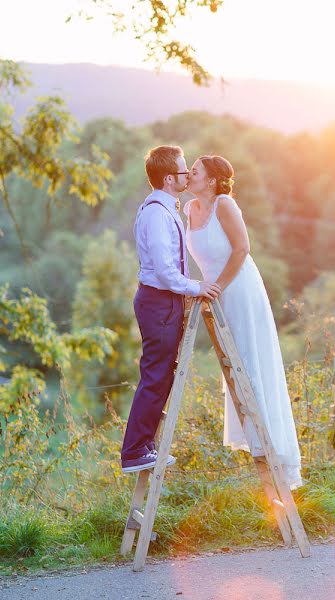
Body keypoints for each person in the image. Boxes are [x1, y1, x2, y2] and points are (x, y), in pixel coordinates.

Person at [184, 155, 303, 488]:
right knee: (234, 370)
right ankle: (257, 442)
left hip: (237, 288)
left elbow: (242, 249)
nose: (189, 174)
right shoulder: (188, 210)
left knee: (250, 364)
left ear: (211, 180)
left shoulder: (224, 205)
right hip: (213, 292)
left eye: (195, 171)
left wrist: (218, 286)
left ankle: (273, 451)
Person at [120, 145, 221, 473]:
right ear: (167, 179)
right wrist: (196, 287)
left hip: (163, 302)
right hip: (158, 302)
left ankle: (144, 444)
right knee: (155, 376)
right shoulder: (156, 214)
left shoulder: (163, 209)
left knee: (161, 375)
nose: (186, 175)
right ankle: (134, 450)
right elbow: (165, 271)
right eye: (182, 171)